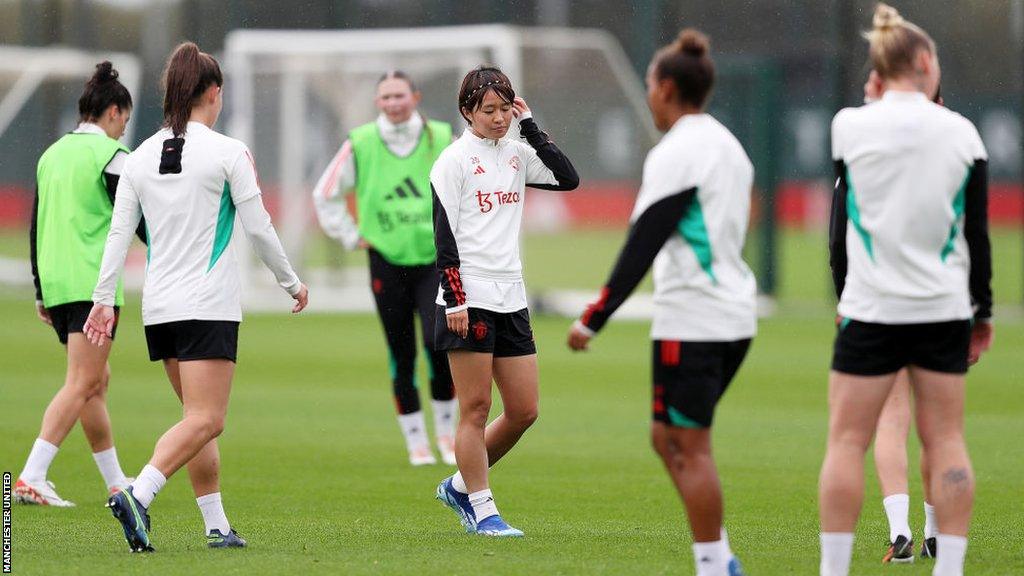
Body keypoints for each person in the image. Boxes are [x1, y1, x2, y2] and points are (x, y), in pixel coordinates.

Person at [85, 42, 308, 553]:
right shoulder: (229, 152)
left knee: (195, 419)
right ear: (214, 92)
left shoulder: (138, 156)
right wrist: (291, 282)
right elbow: (259, 226)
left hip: (158, 309)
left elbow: (119, 234)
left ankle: (216, 526)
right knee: (208, 419)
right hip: (207, 304)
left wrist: (102, 299)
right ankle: (137, 495)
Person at [567, 28, 754, 576]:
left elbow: (643, 243)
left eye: (650, 84)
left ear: (668, 88)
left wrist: (594, 317)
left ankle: (713, 565)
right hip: (731, 312)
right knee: (665, 437)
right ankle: (719, 556)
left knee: (688, 446)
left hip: (694, 317)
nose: (647, 94)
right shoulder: (727, 144)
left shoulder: (678, 152)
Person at [819, 4, 993, 576]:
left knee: (846, 441)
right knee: (946, 441)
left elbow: (844, 226)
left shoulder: (848, 125)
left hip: (870, 307)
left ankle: (835, 567)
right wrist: (982, 312)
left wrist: (845, 297)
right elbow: (976, 234)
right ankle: (950, 567)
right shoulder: (963, 132)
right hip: (942, 308)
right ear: (923, 61)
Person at [432, 65, 579, 537]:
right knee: (474, 409)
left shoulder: (517, 154)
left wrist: (530, 126)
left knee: (524, 410)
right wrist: (455, 300)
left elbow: (567, 178)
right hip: (467, 297)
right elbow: (445, 235)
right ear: (467, 112)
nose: (498, 119)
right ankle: (482, 508)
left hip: (510, 295)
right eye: (488, 110)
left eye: (504, 109)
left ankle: (459, 486)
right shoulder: (452, 161)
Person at [312, 70, 457, 466]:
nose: (394, 103)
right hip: (386, 261)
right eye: (386, 97)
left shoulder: (442, 137)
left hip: (433, 260)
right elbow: (325, 193)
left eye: (400, 95)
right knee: (401, 352)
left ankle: (447, 434)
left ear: (415, 96)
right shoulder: (361, 142)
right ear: (378, 103)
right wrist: (350, 234)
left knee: (438, 343)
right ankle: (416, 441)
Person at [16, 61, 139, 507]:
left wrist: (39, 288)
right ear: (111, 111)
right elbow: (136, 219)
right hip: (94, 287)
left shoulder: (51, 155)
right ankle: (32, 474)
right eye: (124, 119)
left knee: (94, 381)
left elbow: (36, 225)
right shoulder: (112, 157)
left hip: (57, 283)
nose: (124, 128)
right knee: (82, 382)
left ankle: (115, 481)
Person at [859, 70, 940, 564]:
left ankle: (900, 532)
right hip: (936, 303)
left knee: (889, 422)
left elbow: (836, 240)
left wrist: (847, 297)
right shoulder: (951, 151)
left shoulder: (860, 151)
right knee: (939, 429)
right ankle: (936, 536)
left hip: (880, 303)